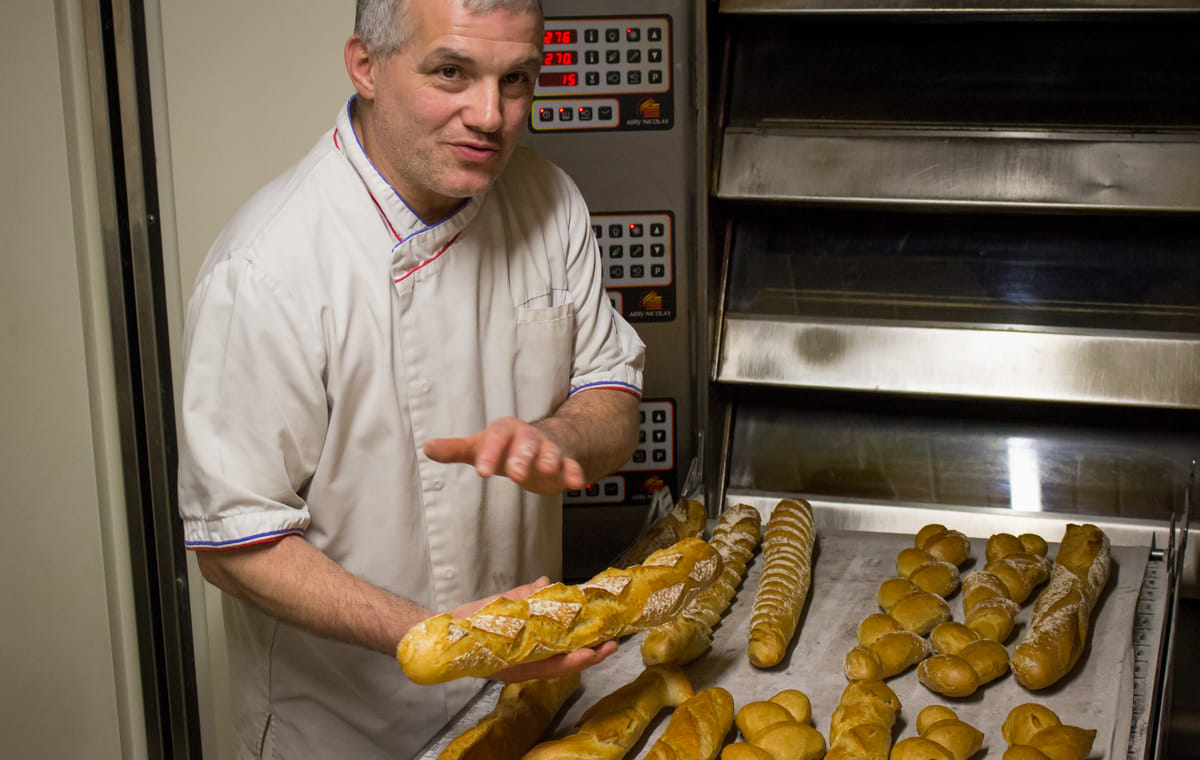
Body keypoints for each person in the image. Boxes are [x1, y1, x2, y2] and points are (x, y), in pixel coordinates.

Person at [175, 0, 646, 756]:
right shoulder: (265, 271)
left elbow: (613, 397)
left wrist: (558, 437)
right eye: (451, 72)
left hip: (523, 691)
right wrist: (452, 640)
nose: (490, 115)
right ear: (365, 66)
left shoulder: (549, 202)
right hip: (346, 728)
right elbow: (235, 547)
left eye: (516, 79)